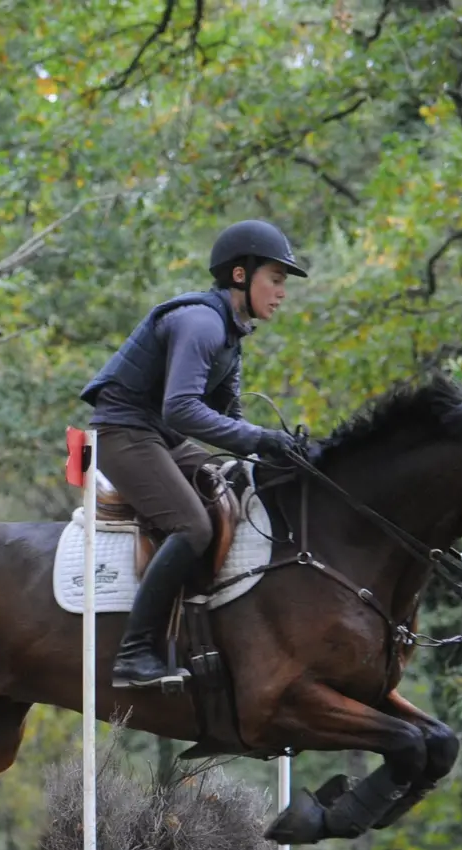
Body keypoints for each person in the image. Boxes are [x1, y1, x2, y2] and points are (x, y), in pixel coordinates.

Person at [79, 219, 310, 689]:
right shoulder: (202, 322)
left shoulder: (231, 334)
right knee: (193, 525)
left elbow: (231, 415)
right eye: (276, 279)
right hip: (122, 432)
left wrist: (278, 452)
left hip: (158, 435)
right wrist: (256, 438)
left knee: (236, 486)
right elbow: (182, 408)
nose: (282, 293)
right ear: (241, 275)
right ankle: (135, 653)